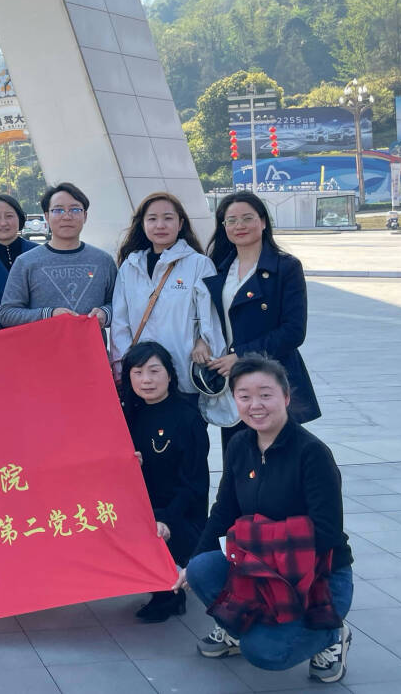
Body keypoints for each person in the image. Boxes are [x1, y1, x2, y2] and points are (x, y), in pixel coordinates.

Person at [176, 355, 353, 684]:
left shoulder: (312, 453)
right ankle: (239, 626)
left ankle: (332, 634)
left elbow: (327, 532)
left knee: (265, 653)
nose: (255, 405)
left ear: (285, 396)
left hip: (318, 576)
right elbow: (224, 509)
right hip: (262, 566)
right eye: (244, 396)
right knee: (201, 568)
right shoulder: (240, 444)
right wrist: (192, 560)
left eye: (265, 395)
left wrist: (256, 543)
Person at [198, 191, 319, 450]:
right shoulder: (217, 267)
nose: (239, 226)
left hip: (271, 377)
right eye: (231, 220)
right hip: (232, 380)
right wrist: (201, 340)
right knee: (239, 454)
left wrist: (241, 355)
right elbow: (206, 316)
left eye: (247, 218)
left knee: (276, 457)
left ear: (263, 222)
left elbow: (294, 331)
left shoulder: (285, 267)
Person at [119, 342, 209, 623]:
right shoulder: (128, 414)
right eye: (138, 372)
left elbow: (194, 485)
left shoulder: (188, 418)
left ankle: (169, 593)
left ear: (170, 375)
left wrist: (166, 519)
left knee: (153, 528)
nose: (146, 380)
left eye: (154, 371)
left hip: (179, 513)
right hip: (141, 506)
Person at [109, 191, 222, 388]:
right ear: (142, 224)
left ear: (180, 223)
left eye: (168, 218)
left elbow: (210, 318)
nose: (160, 225)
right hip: (142, 379)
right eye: (152, 219)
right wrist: (124, 369)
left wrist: (205, 342)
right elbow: (120, 323)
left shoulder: (199, 264)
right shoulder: (130, 266)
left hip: (185, 375)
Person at [0, 182, 116, 332]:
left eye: (75, 209)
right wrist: (49, 314)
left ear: (85, 216)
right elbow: (7, 314)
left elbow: (120, 305)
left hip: (92, 346)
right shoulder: (26, 262)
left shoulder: (104, 261)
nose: (67, 216)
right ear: (47, 216)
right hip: (43, 346)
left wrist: (105, 314)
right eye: (58, 210)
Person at [0, 193, 38, 334]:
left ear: (19, 218)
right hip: (0, 335)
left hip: (38, 331)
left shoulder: (39, 253)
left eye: (9, 216)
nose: (3, 223)